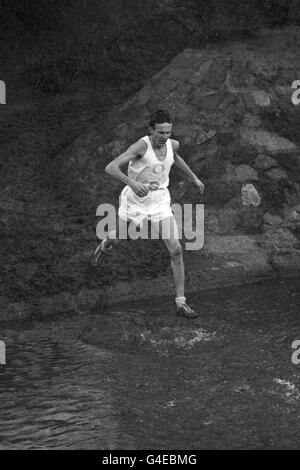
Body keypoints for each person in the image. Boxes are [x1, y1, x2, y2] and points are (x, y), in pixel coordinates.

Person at [92, 109, 204, 319]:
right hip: (134, 202)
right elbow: (111, 167)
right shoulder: (141, 146)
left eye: (168, 132)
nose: (164, 137)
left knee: (176, 249)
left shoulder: (173, 144)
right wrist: (133, 183)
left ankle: (181, 303)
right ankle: (105, 243)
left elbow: (176, 158)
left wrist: (194, 178)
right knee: (118, 238)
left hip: (160, 201)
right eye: (160, 133)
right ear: (150, 130)